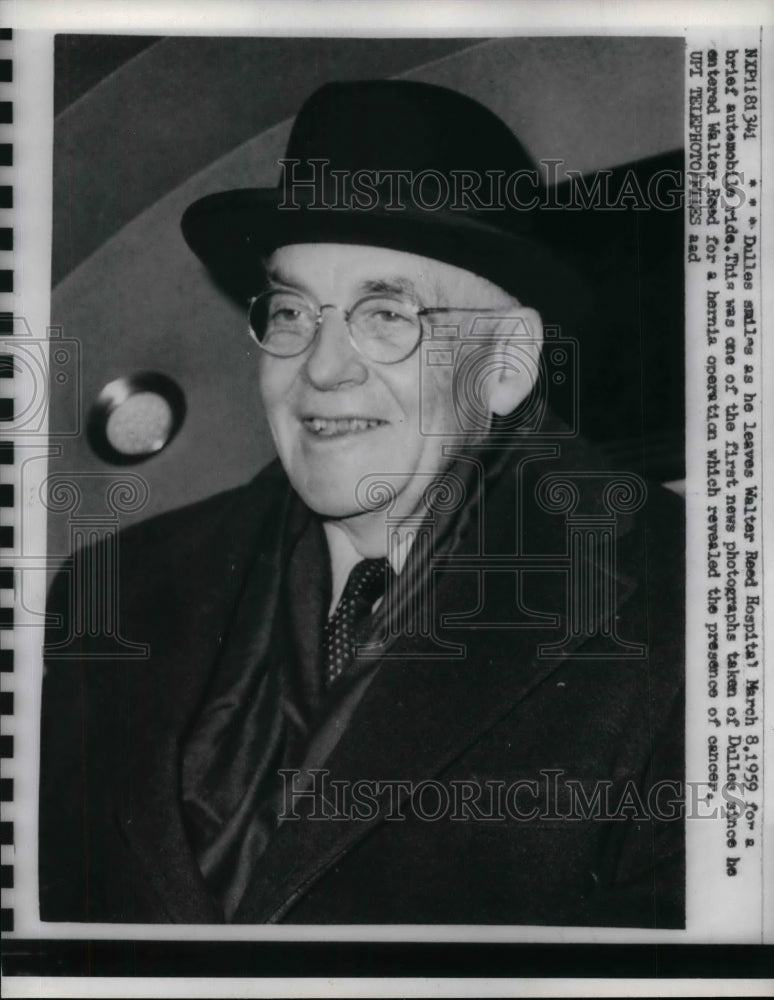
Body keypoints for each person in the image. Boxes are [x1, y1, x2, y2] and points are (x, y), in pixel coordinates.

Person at [40, 80, 684, 926]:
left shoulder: (688, 611)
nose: (322, 367)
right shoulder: (111, 589)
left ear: (508, 364)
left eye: (386, 314)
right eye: (293, 310)